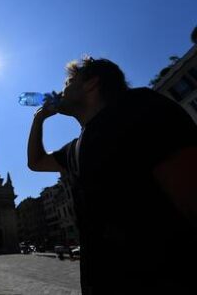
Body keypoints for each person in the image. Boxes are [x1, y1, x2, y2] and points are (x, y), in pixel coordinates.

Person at [27, 56, 197, 294]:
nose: (61, 89)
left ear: (91, 83)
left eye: (68, 82)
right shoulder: (75, 148)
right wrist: (39, 118)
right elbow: (36, 162)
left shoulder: (142, 108)